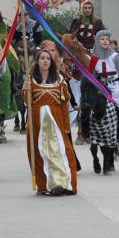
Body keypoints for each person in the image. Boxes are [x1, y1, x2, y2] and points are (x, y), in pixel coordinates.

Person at [22, 49, 78, 195]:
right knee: (41, 152)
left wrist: (66, 125)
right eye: (42, 58)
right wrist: (26, 91)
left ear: (51, 62)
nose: (45, 60)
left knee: (60, 151)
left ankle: (61, 183)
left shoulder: (59, 79)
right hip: (37, 121)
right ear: (37, 61)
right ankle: (45, 185)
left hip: (56, 121)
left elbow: (64, 104)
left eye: (48, 58)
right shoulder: (30, 79)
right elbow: (26, 101)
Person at [81, 30, 119, 175]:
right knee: (89, 110)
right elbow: (89, 76)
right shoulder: (93, 58)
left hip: (114, 90)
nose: (105, 41)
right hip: (99, 90)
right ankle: (87, 131)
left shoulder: (115, 57)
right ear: (98, 41)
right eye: (102, 39)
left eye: (107, 39)